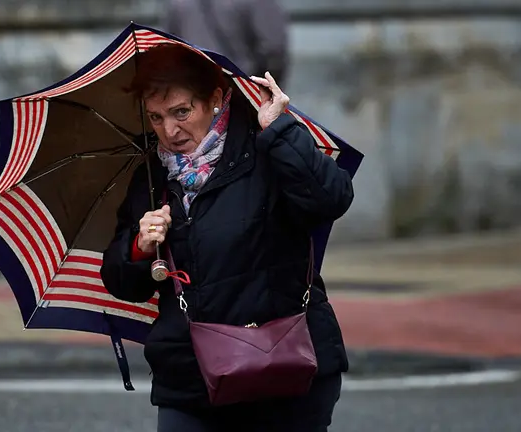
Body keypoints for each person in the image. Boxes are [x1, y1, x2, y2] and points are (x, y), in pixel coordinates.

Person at [100, 44, 353, 432]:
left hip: (282, 367)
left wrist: (281, 131)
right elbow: (122, 282)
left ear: (215, 100)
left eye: (181, 112)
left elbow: (330, 199)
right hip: (190, 378)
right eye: (156, 117)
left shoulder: (264, 147)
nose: (169, 131)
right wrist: (139, 245)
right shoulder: (150, 179)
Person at [161, 0, 289, 85]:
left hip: (196, 91)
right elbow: (274, 49)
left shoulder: (178, 4)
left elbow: (169, 46)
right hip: (243, 89)